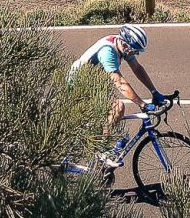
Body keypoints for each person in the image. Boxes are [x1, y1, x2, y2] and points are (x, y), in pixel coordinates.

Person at [69, 23, 167, 167]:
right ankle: (102, 150)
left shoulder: (123, 45)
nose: (136, 54)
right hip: (78, 86)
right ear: (124, 43)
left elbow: (137, 68)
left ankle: (103, 155)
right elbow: (119, 82)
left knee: (115, 125)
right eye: (135, 50)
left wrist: (154, 91)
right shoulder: (107, 51)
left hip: (93, 83)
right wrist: (143, 104)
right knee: (117, 107)